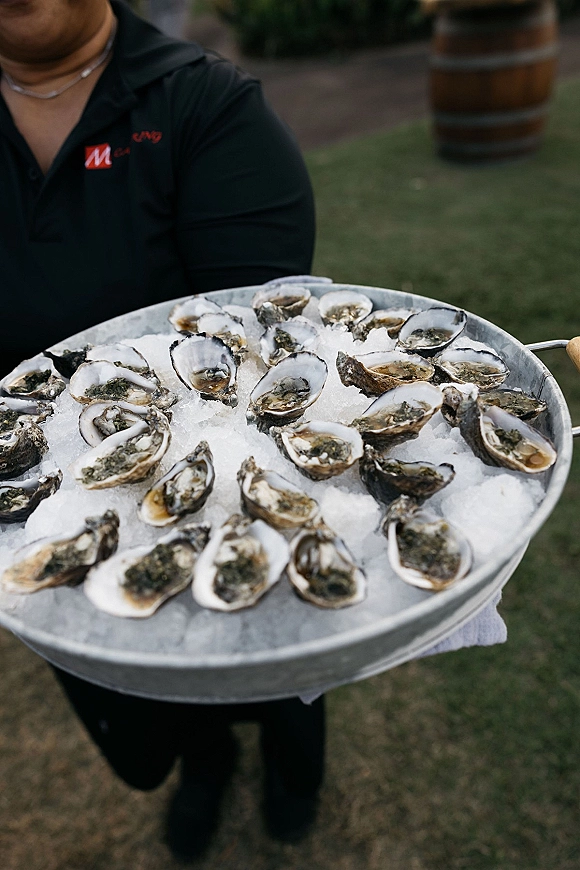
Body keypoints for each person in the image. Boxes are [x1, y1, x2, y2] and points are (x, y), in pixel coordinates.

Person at [0, 0, 323, 859]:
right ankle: (206, 763)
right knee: (143, 677)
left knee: (276, 643)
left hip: (227, 458)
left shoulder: (201, 105)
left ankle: (294, 763)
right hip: (49, 487)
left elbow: (264, 345)